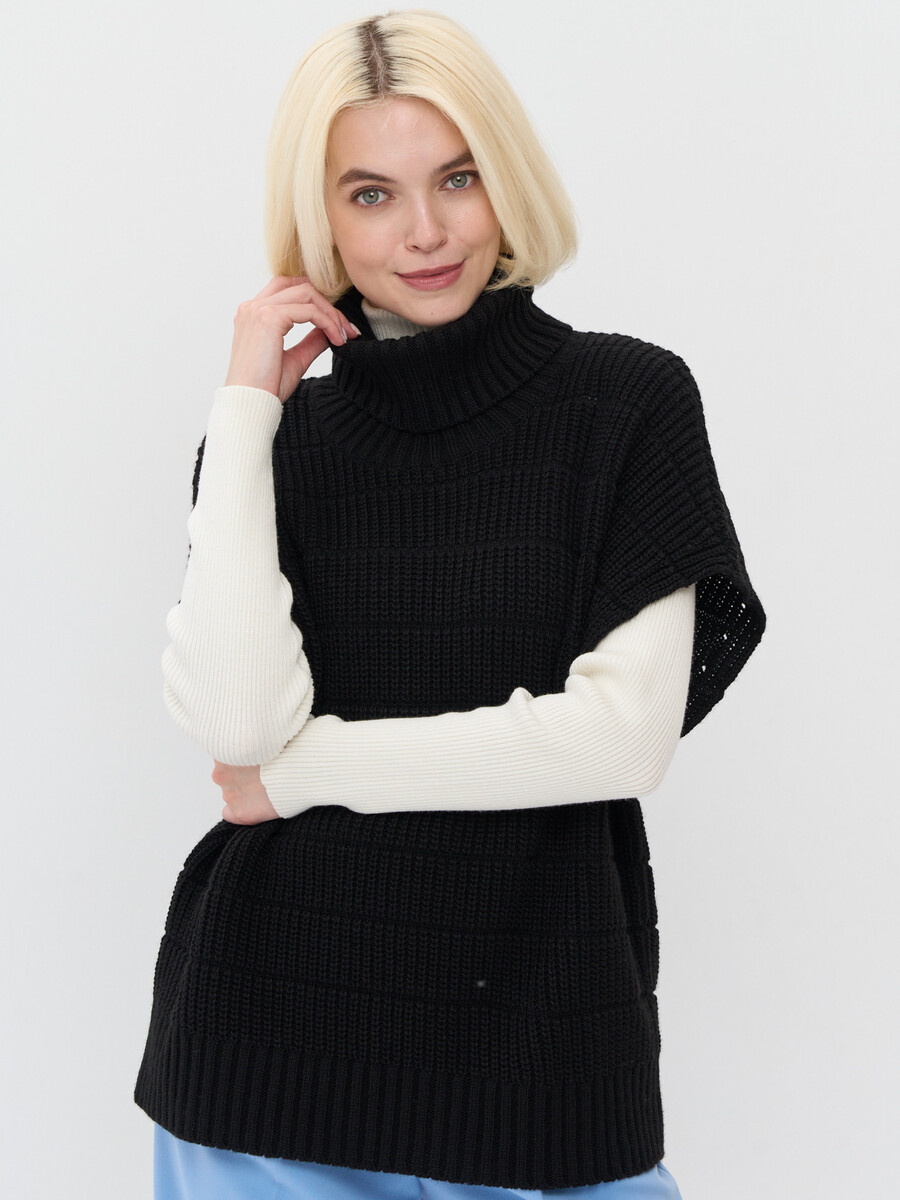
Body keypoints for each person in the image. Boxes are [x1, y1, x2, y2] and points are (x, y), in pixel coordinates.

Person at [134, 10, 765, 1199]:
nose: (424, 231)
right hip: (265, 1069)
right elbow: (237, 726)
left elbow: (621, 738)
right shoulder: (275, 446)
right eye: (370, 195)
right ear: (320, 220)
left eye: (458, 179)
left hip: (544, 1066)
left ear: (506, 180)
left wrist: (305, 777)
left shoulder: (626, 404)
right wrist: (245, 408)